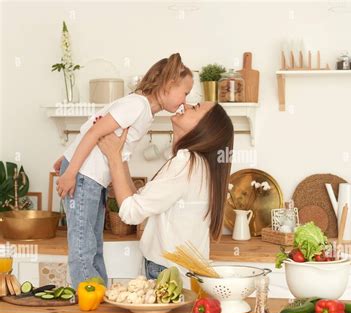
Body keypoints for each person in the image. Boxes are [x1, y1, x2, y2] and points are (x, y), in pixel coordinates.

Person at [53, 53, 193, 288]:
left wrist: (68, 157)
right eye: (185, 93)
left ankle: (97, 295)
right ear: (169, 85)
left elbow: (108, 140)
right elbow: (95, 132)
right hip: (84, 176)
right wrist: (70, 171)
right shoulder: (136, 105)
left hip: (90, 177)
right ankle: (89, 300)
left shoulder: (143, 110)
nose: (185, 101)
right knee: (82, 243)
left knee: (92, 241)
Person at [96, 101, 234, 282]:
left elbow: (131, 213)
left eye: (195, 107)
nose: (186, 103)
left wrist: (113, 157)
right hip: (179, 271)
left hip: (167, 272)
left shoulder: (186, 163)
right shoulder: (198, 164)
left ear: (204, 128)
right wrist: (120, 155)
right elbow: (138, 202)